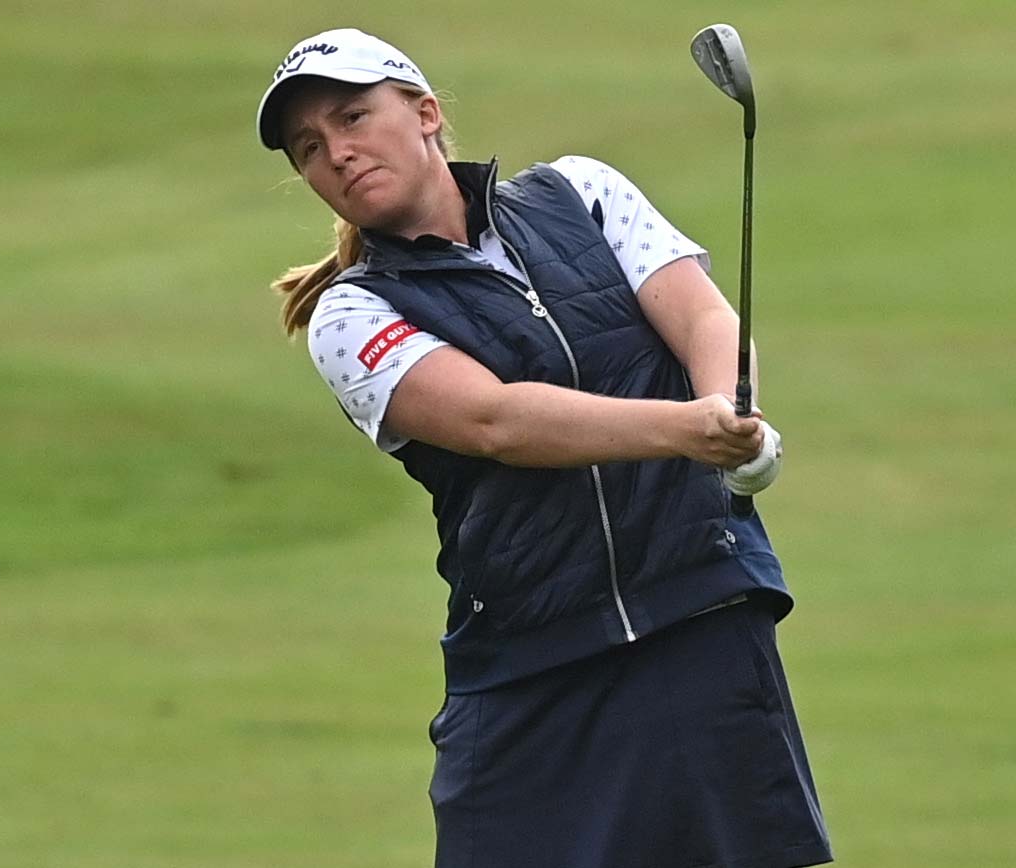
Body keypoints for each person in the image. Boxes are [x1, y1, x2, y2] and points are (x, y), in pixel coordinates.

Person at [255, 28, 832, 868]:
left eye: (353, 117)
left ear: (423, 113)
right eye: (310, 147)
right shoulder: (352, 317)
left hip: (699, 619)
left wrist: (730, 412)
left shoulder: (583, 192)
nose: (336, 154)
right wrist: (691, 432)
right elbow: (497, 422)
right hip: (534, 667)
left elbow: (705, 317)